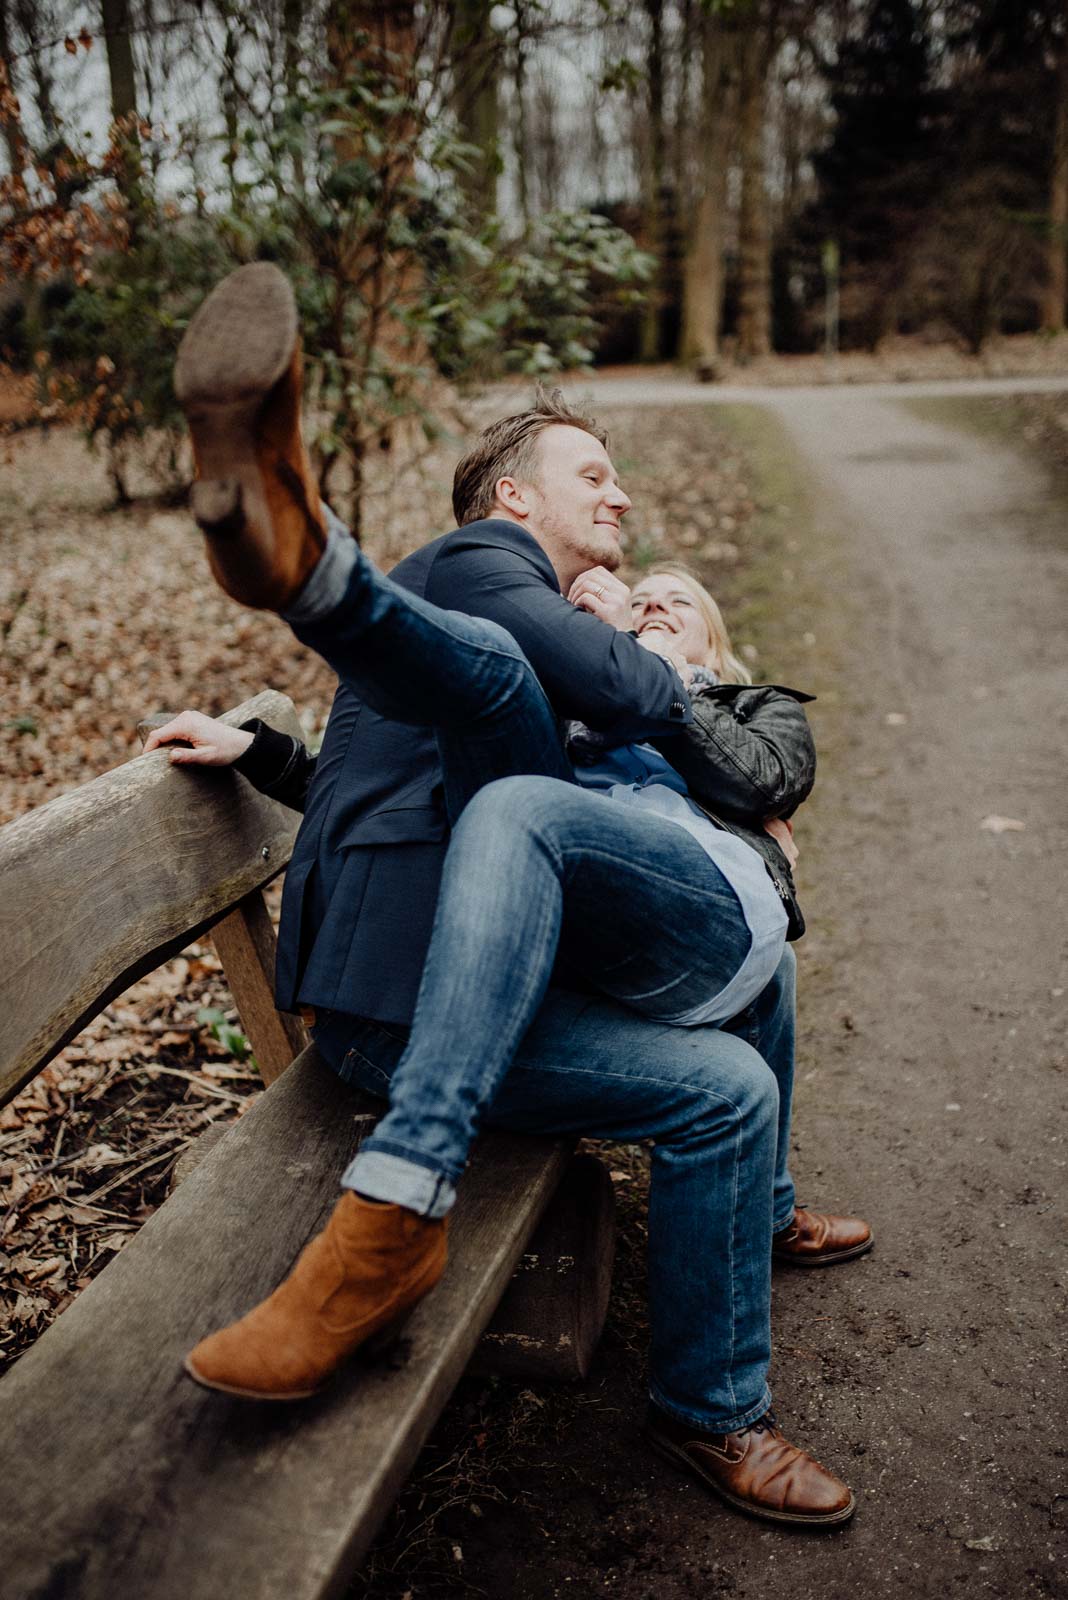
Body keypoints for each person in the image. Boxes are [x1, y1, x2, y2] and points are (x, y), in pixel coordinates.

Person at [152, 261, 872, 1529]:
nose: (623, 495)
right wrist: (650, 666)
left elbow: (408, 784)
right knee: (515, 745)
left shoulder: (502, 615)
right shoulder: (486, 561)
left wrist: (266, 756)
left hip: (450, 961)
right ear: (510, 494)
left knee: (516, 748)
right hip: (407, 1007)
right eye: (594, 474)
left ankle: (314, 569)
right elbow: (620, 691)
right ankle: (309, 565)